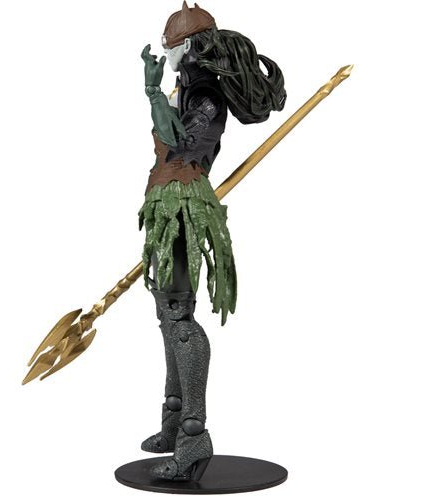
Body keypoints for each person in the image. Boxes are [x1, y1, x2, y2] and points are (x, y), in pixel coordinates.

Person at [138, 1, 286, 481]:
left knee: (179, 316)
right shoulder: (188, 88)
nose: (166, 55)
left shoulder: (204, 95)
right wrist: (161, 95)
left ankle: (194, 436)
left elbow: (181, 146)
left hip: (185, 205)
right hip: (166, 204)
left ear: (187, 46)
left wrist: (153, 94)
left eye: (171, 47)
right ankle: (173, 419)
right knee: (168, 311)